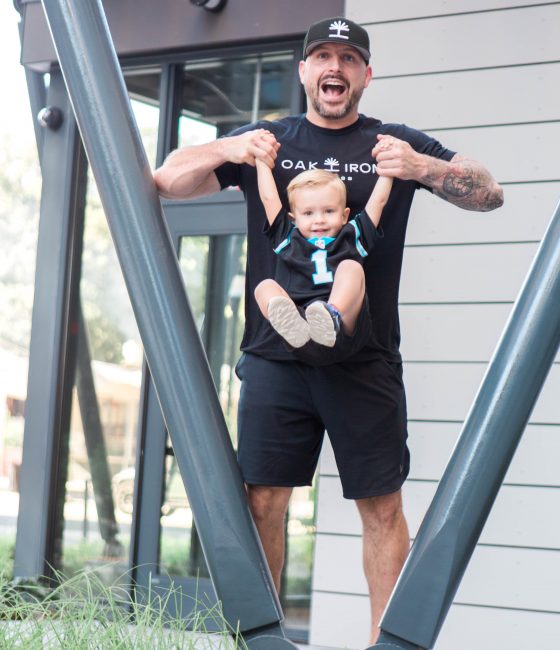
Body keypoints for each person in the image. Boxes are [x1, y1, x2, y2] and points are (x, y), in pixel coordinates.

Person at [153, 15, 503, 644]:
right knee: (263, 501)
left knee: (382, 507)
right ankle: (259, 638)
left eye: (348, 58)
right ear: (304, 70)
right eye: (322, 56)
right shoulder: (270, 139)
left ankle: (383, 642)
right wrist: (228, 149)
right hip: (275, 357)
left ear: (366, 73)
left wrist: (420, 165)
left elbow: (488, 193)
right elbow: (166, 182)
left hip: (362, 359)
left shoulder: (391, 142)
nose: (334, 68)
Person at [254, 151, 392, 353]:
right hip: (300, 332)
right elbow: (268, 199)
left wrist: (389, 169)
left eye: (328, 211)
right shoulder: (288, 238)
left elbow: (378, 202)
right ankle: (290, 324)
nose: (319, 220)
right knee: (264, 287)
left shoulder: (352, 236)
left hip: (343, 329)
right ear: (294, 219)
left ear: (345, 215)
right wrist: (261, 160)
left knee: (350, 267)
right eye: (308, 213)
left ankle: (331, 314)